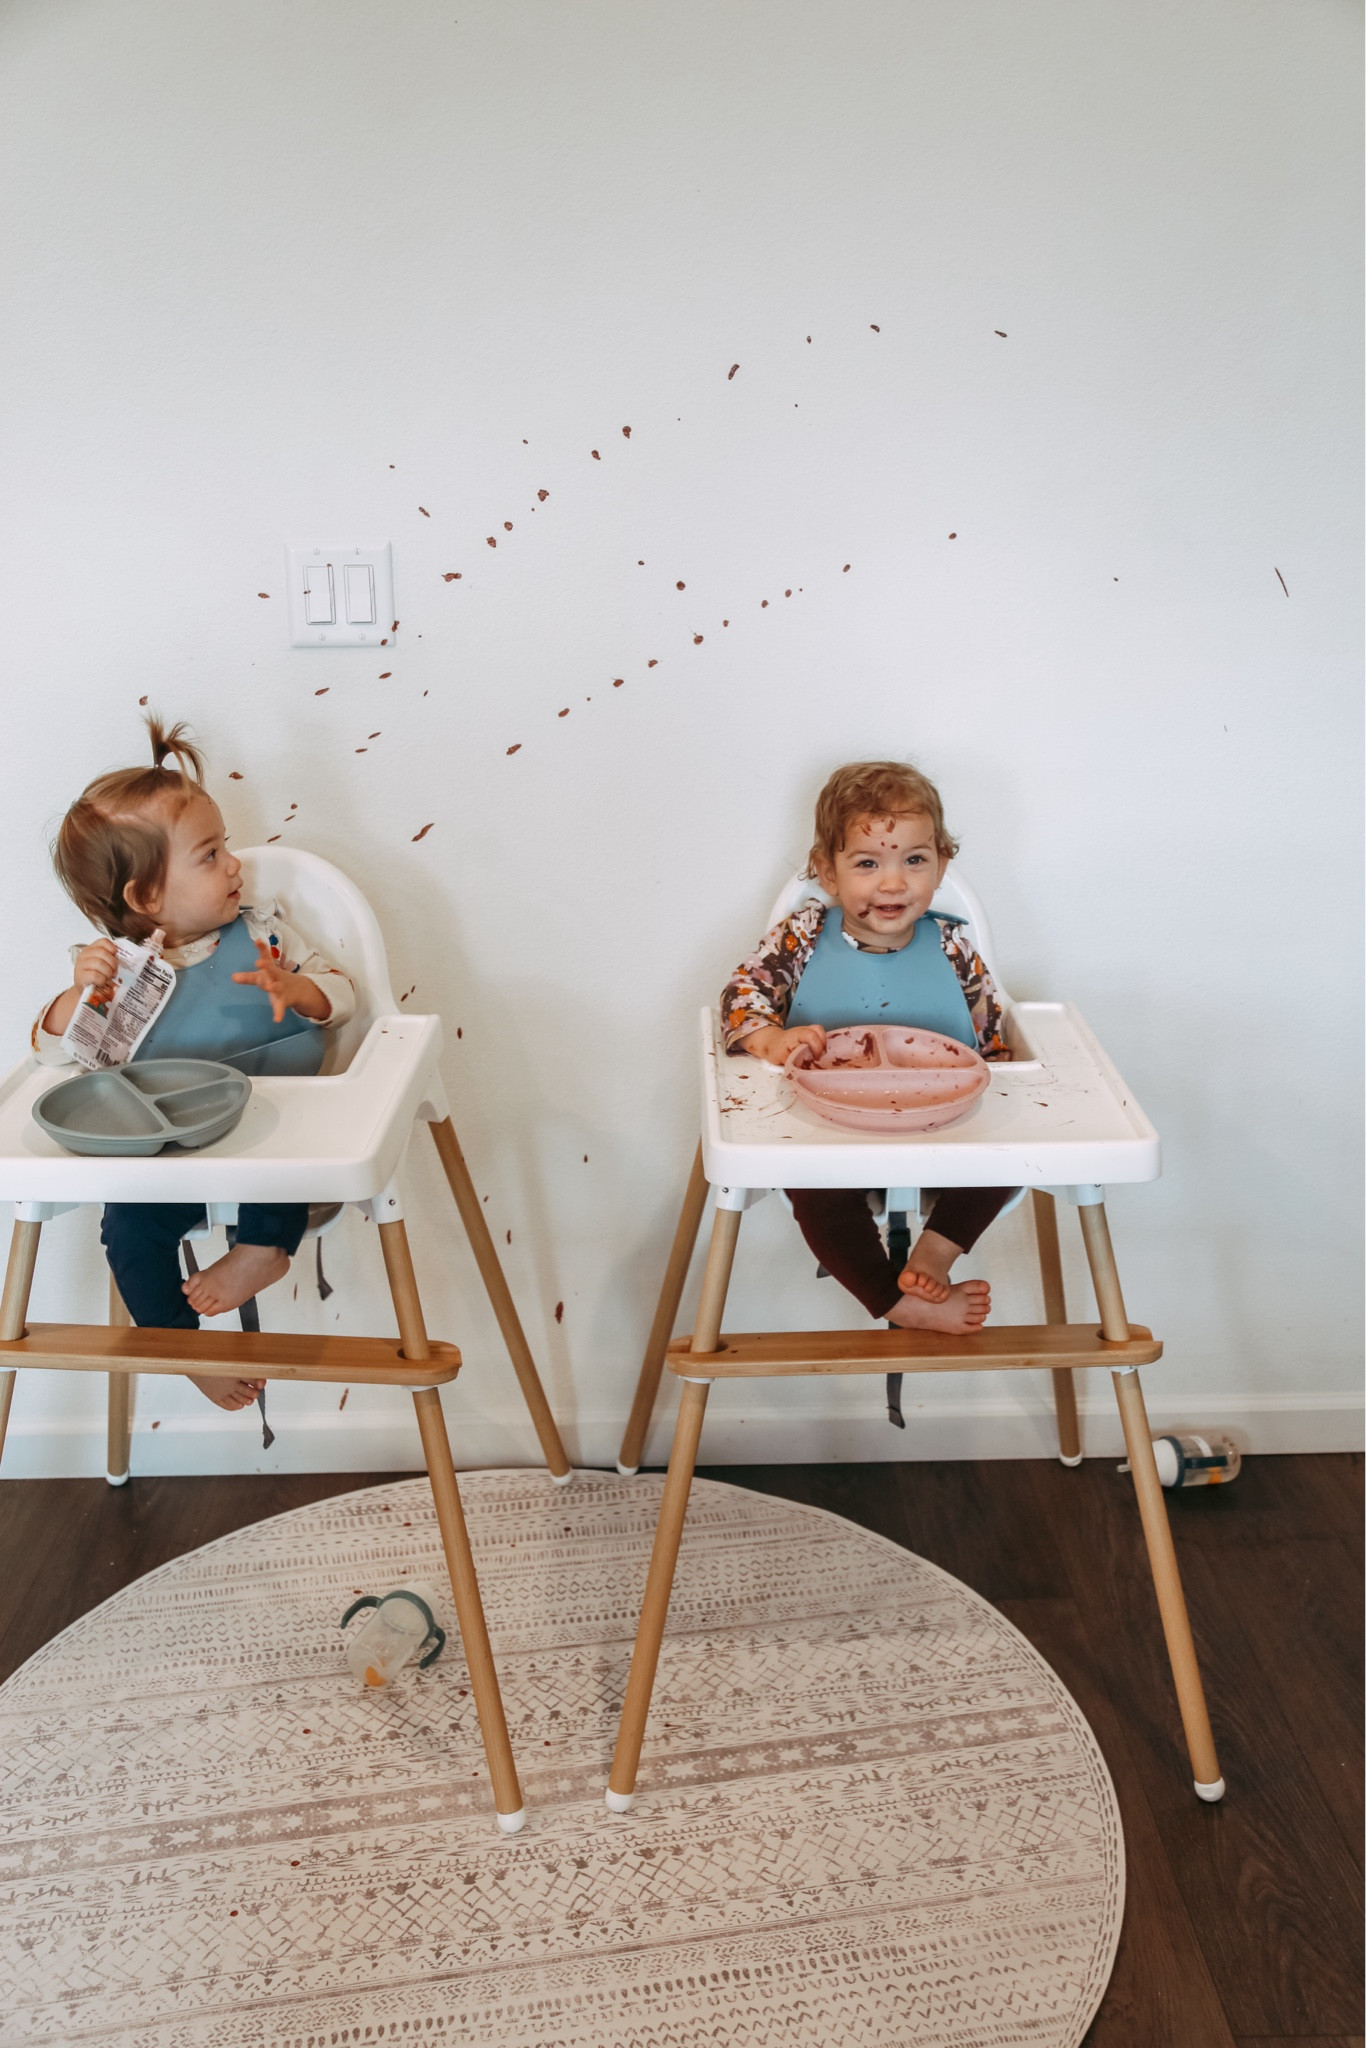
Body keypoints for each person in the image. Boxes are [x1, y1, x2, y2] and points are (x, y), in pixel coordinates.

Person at [33, 717, 354, 1411]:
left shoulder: (264, 933)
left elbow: (347, 996)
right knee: (126, 1230)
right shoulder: (112, 972)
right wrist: (76, 999)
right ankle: (187, 1351)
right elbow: (54, 1053)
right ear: (146, 899)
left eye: (225, 848)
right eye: (210, 856)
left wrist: (299, 990)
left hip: (270, 1122)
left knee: (290, 1143)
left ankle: (264, 1249)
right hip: (163, 1144)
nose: (236, 864)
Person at [720, 760, 1016, 1412]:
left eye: (914, 859)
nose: (892, 881)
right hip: (829, 1127)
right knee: (814, 1188)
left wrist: (1000, 1078)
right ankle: (896, 1300)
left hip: (939, 1122)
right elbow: (740, 1001)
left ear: (941, 865)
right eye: (866, 863)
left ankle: (934, 1254)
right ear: (826, 871)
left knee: (1017, 1147)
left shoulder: (956, 947)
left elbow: (998, 1039)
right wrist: (772, 1040)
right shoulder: (801, 936)